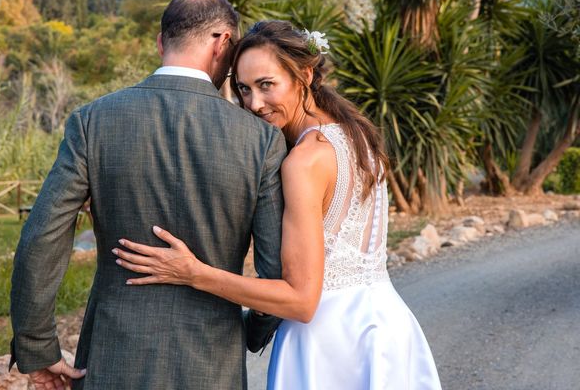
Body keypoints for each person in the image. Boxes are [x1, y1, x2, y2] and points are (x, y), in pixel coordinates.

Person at [114, 20, 442, 389]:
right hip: (385, 330)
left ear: (304, 74)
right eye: (243, 89)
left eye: (266, 85)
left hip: (329, 347)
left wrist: (194, 273)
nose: (254, 103)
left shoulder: (304, 161)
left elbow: (301, 301)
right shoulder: (357, 133)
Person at [9, 0, 287, 389]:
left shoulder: (92, 122)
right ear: (224, 42)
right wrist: (252, 331)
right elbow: (274, 268)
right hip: (212, 360)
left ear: (161, 43)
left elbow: (42, 235)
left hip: (113, 356)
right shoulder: (260, 140)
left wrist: (38, 345)